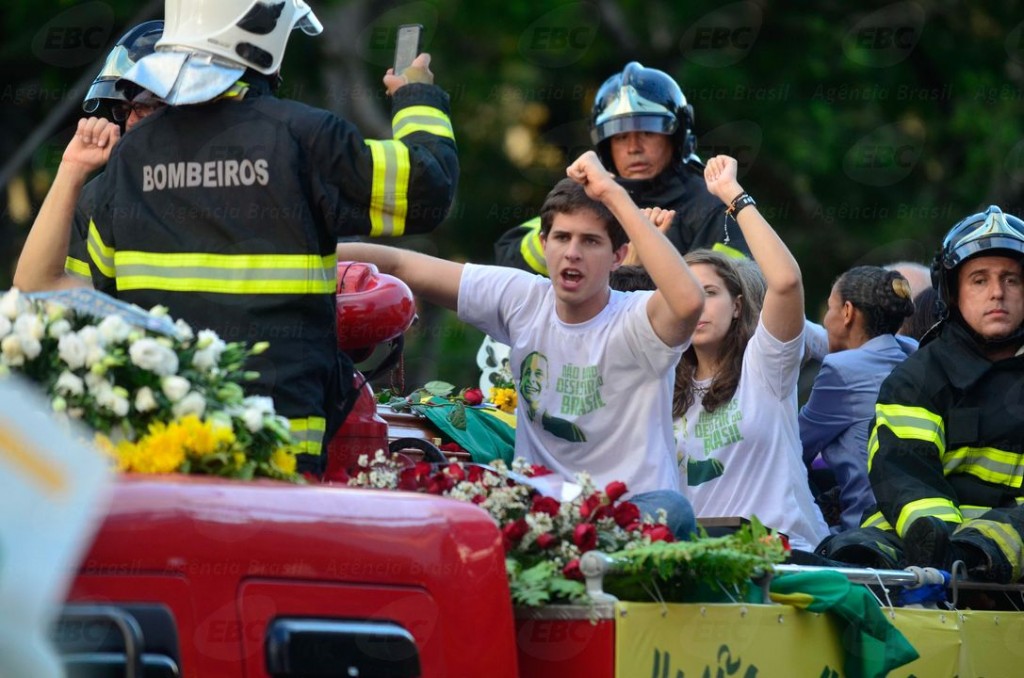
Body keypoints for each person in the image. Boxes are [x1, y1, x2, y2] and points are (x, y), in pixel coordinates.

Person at [84, 0, 459, 472]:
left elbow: (102, 295)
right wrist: (416, 97)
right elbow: (427, 188)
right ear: (266, 34)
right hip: (277, 453)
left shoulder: (128, 157)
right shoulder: (305, 137)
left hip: (161, 450)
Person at [340, 151, 705, 538]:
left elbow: (689, 300)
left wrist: (612, 192)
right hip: (540, 513)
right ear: (545, 243)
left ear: (618, 256)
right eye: (562, 237)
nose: (573, 252)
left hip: (634, 516)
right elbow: (400, 266)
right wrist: (304, 258)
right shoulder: (522, 297)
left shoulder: (637, 318)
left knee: (675, 511)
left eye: (591, 241)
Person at [819, 205, 1024, 583]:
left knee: (1003, 536)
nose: (997, 292)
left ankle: (974, 556)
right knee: (855, 549)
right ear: (953, 291)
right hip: (919, 535)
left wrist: (967, 551)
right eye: (979, 280)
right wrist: (939, 543)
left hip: (1008, 543)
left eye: (1011, 280)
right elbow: (904, 473)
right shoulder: (916, 378)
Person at [672, 157, 830, 553]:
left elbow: (786, 282)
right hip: (700, 565)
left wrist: (733, 196)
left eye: (708, 293)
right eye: (686, 294)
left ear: (738, 306)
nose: (696, 305)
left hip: (787, 560)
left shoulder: (765, 365)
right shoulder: (661, 384)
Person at [494, 61, 750, 275]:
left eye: (647, 133)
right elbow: (509, 258)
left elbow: (726, 301)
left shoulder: (712, 206)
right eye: (620, 137)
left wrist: (642, 262)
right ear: (605, 146)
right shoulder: (588, 197)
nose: (633, 148)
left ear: (677, 137)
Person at [13, 21, 165, 292]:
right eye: (124, 110)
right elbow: (34, 286)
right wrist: (72, 168)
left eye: (143, 107)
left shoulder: (227, 178)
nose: (130, 122)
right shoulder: (104, 195)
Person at [798, 266, 916, 533]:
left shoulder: (841, 369)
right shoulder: (915, 353)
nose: (826, 319)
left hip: (866, 530)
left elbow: (794, 447)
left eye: (830, 308)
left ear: (847, 312)